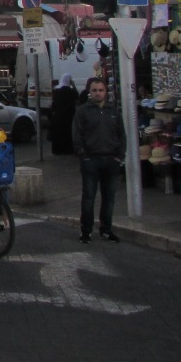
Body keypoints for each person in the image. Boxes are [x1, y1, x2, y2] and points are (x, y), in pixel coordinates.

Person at [72, 77, 125, 244]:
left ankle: (106, 229)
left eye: (101, 90)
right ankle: (86, 230)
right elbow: (76, 135)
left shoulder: (113, 111)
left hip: (111, 159)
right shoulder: (82, 111)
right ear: (89, 92)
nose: (98, 93)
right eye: (94, 90)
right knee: (89, 197)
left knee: (109, 197)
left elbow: (121, 134)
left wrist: (119, 156)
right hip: (91, 160)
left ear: (105, 91)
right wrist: (83, 155)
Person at [50, 74, 79, 155]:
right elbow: (77, 97)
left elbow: (53, 105)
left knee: (58, 134)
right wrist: (73, 86)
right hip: (68, 117)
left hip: (58, 117)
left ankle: (57, 150)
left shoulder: (57, 91)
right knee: (67, 134)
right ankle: (67, 150)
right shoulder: (70, 91)